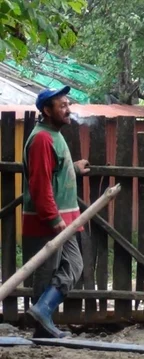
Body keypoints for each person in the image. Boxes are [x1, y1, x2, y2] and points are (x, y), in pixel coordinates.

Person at [23, 86, 90, 338]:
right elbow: (40, 184)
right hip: (49, 221)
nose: (68, 109)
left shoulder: (53, 135)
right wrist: (53, 219)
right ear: (46, 110)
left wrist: (73, 168)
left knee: (73, 265)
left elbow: (52, 172)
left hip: (64, 219)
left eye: (68, 104)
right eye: (62, 106)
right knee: (47, 271)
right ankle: (41, 327)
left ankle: (43, 311)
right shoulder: (42, 139)